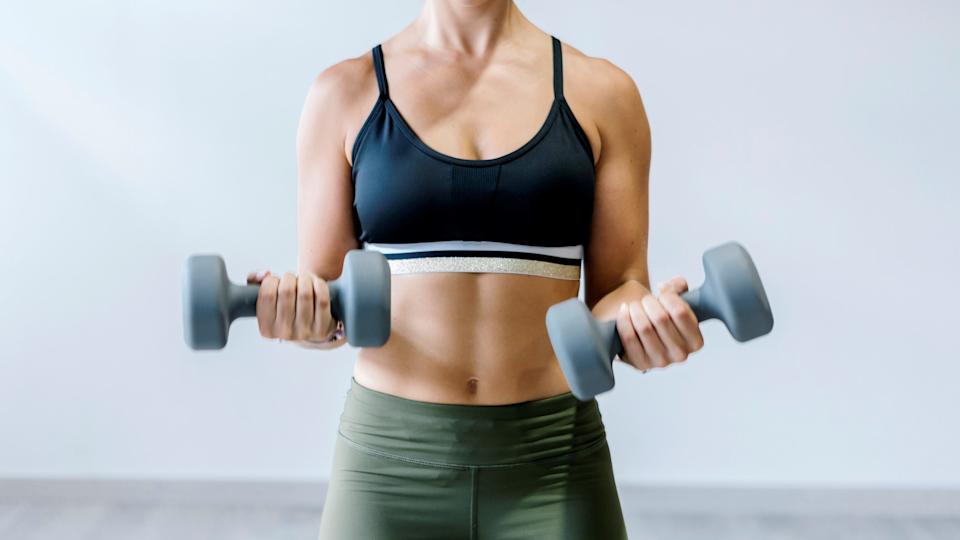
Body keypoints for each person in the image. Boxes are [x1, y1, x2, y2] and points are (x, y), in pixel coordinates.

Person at [248, 1, 704, 538]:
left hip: (554, 463)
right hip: (387, 468)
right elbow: (327, 300)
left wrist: (649, 324)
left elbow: (619, 288)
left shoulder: (602, 93)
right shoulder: (343, 93)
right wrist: (297, 316)